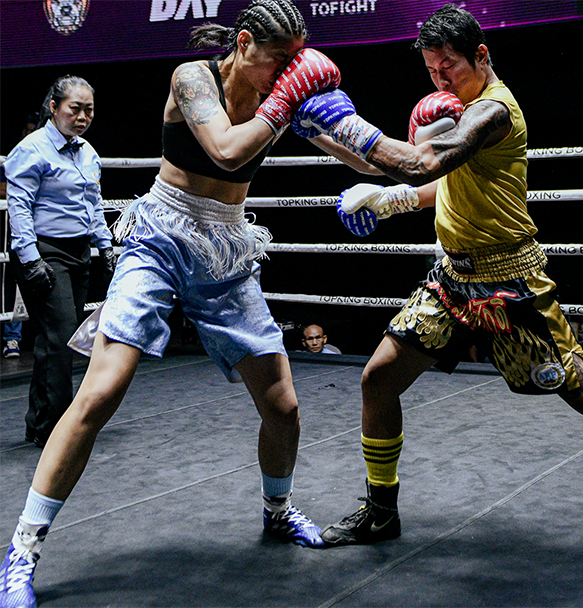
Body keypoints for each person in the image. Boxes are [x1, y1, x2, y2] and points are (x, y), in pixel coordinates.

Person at [0, 1, 349, 605]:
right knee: (101, 390)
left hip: (226, 244)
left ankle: (277, 508)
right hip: (160, 235)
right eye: (278, 59)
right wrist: (288, 101)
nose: (288, 70)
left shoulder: (282, 94)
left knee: (284, 406)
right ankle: (23, 551)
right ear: (243, 44)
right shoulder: (194, 78)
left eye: (297, 60)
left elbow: (368, 152)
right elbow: (226, 150)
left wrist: (410, 176)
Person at [291, 3, 583, 547]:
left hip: (509, 284)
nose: (441, 78)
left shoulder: (493, 113)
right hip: (449, 282)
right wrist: (320, 136)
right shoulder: (452, 109)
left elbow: (420, 163)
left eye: (451, 67)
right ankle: (380, 512)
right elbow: (413, 173)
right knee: (377, 379)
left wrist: (345, 123)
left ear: (481, 56)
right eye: (431, 69)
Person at [3, 78, 115, 449]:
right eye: (75, 109)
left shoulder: (88, 152)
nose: (83, 117)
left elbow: (93, 204)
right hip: (44, 251)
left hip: (79, 251)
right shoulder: (30, 150)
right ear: (53, 107)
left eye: (90, 110)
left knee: (56, 340)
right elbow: (18, 208)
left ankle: (39, 423)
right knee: (62, 337)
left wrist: (106, 245)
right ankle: (59, 431)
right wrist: (31, 259)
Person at [0, 116, 37, 360]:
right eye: (27, 130)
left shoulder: (49, 157)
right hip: (11, 226)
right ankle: (11, 338)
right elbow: (4, 189)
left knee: (35, 278)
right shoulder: (13, 158)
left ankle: (23, 336)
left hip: (42, 227)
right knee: (9, 277)